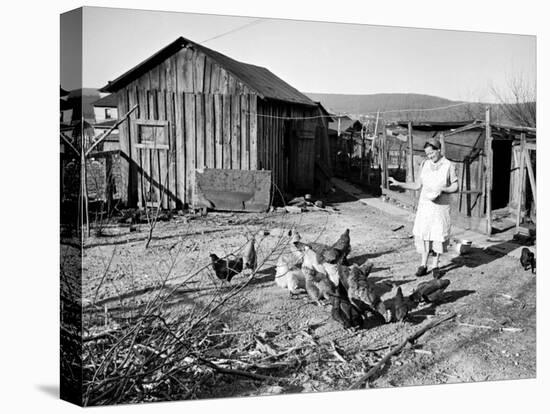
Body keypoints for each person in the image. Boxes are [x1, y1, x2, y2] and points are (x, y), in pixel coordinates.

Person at [388, 138, 458, 278]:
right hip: (425, 205)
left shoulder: (449, 165)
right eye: (427, 154)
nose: (430, 156)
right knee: (425, 233)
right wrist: (399, 183)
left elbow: (455, 186)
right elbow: (417, 185)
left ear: (439, 150)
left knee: (437, 234)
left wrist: (444, 190)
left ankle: (435, 265)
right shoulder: (425, 164)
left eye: (432, 153)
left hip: (440, 206)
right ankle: (423, 264)